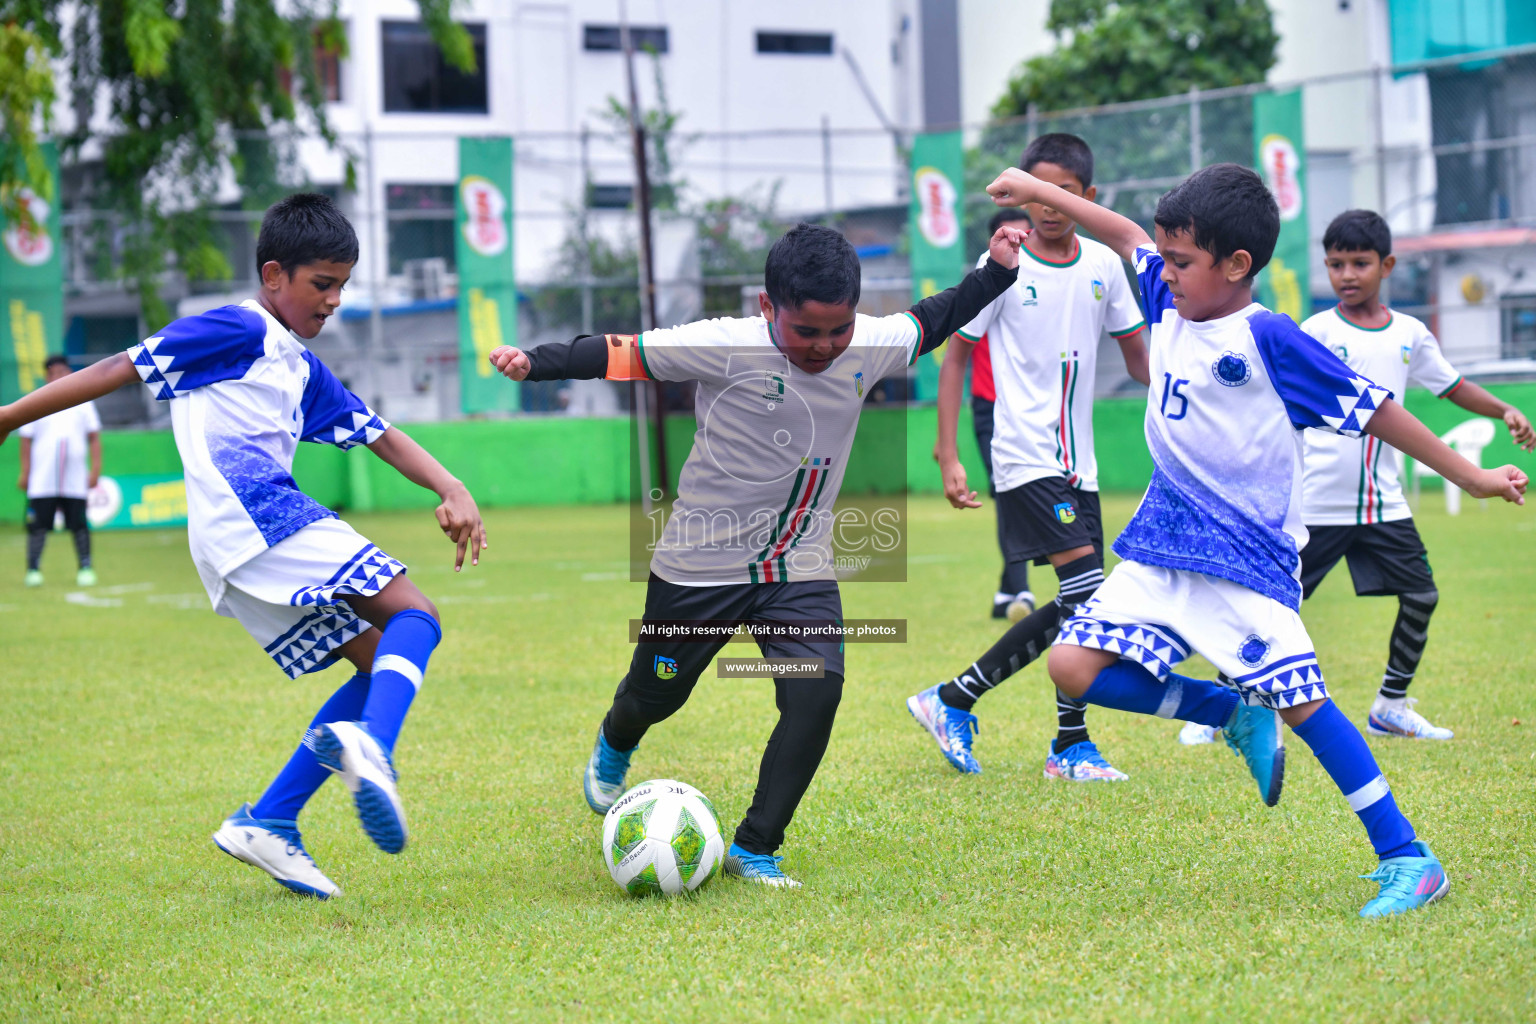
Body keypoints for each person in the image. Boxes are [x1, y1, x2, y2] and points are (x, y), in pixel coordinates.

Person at [985, 162, 1525, 916]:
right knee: (1073, 667)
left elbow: (1377, 411)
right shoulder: (1165, 293)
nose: (1163, 273)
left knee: (1306, 707)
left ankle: (1410, 856)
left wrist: (1468, 476)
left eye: (1182, 262)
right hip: (1163, 542)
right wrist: (1036, 189)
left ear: (1237, 265)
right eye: (1166, 261)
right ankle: (1228, 713)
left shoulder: (1270, 337)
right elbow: (1128, 232)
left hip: (1242, 556)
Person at [488, 221, 1026, 888]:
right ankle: (617, 739)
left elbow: (935, 318)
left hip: (796, 567)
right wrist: (534, 361)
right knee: (657, 694)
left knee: (815, 694)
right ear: (768, 308)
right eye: (807, 331)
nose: (825, 346)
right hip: (697, 567)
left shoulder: (871, 345)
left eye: (840, 329)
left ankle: (755, 846)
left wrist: (997, 271)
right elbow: (619, 353)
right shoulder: (723, 344)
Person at [0, 193, 488, 900]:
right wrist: (12, 416)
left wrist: (450, 485)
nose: (333, 302)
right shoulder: (239, 329)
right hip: (256, 513)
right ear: (272, 277)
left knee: (377, 659)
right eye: (321, 284)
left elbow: (377, 432)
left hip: (239, 537)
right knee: (417, 615)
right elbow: (118, 368)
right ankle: (374, 749)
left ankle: (269, 821)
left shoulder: (299, 367)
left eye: (342, 286)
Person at [1179, 209, 1535, 746]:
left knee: (1422, 596)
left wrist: (1502, 409)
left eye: (1360, 263)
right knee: (1271, 606)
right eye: (1336, 264)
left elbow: (1452, 385)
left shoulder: (1411, 334)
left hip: (1382, 506)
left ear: (1386, 265)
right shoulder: (1315, 330)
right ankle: (1227, 706)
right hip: (1316, 507)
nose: (1347, 274)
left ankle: (1391, 706)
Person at [909, 134, 1151, 780]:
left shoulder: (1103, 265)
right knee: (1086, 590)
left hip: (1081, 465)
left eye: (1065, 193)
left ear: (1088, 198)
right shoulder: (1005, 264)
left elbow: (1139, 360)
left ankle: (956, 699)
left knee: (1082, 599)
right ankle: (1067, 746)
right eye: (1038, 191)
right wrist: (948, 452)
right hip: (1022, 454)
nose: (1049, 206)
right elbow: (956, 352)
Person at [933, 207, 1036, 622]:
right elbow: (955, 359)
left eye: (1021, 235)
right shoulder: (987, 289)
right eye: (1004, 237)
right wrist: (947, 445)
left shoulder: (1047, 285)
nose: (1014, 243)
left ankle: (1008, 588)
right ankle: (1020, 588)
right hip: (990, 408)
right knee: (1007, 492)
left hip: (1038, 409)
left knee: (1024, 494)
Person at [17, 355, 102, 587]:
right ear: (47, 376)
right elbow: (25, 440)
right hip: (42, 479)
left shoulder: (84, 401)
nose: (59, 376)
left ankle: (85, 567)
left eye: (63, 371)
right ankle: (33, 570)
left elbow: (93, 437)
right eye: (53, 373)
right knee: (37, 526)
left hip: (74, 479)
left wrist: (95, 469)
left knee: (79, 526)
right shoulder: (35, 401)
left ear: (69, 372)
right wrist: (26, 472)